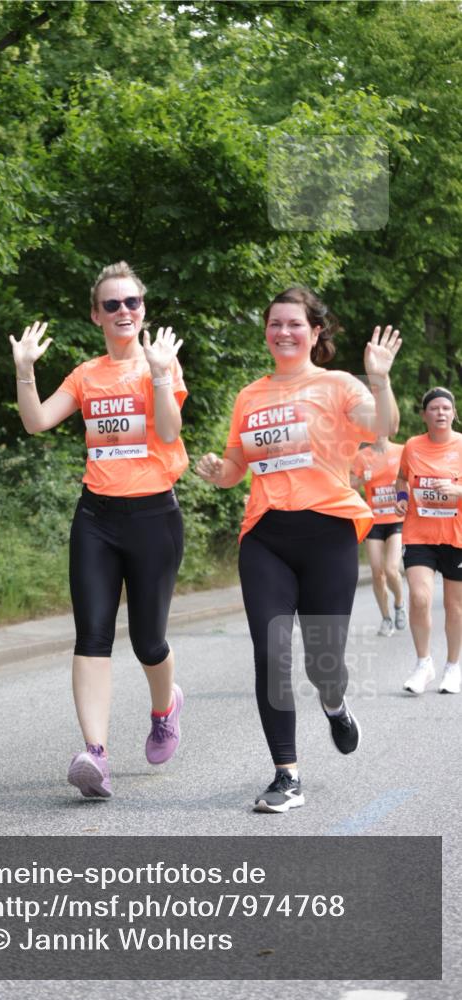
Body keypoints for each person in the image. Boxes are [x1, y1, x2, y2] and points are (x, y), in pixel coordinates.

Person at [196, 287, 401, 813]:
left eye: (294, 324)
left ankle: (334, 703)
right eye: (275, 323)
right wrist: (219, 471)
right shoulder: (249, 395)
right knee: (271, 653)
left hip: (328, 534)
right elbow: (236, 467)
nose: (283, 332)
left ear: (314, 332)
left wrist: (379, 379)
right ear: (266, 332)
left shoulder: (338, 385)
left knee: (324, 663)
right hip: (266, 536)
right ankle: (286, 775)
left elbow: (383, 426)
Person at [10, 262, 188, 799]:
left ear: (143, 309)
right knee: (92, 635)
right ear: (97, 315)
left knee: (149, 642)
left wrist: (161, 374)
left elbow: (169, 431)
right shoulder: (86, 374)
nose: (123, 311)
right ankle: (96, 754)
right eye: (112, 304)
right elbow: (37, 421)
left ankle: (165, 708)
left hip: (154, 517)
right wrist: (24, 370)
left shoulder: (159, 364)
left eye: (131, 302)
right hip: (97, 519)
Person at [396, 386, 462, 695]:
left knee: (454, 606)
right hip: (419, 534)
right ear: (424, 415)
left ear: (454, 413)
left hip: (456, 535)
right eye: (434, 408)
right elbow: (401, 479)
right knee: (420, 598)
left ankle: (453, 666)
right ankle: (424, 664)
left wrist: (457, 491)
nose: (440, 413)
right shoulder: (412, 446)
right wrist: (400, 498)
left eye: (445, 408)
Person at [351, 437, 406, 636]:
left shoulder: (401, 451)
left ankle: (399, 603)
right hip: (374, 521)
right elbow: (349, 486)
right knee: (377, 572)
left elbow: (411, 479)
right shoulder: (361, 456)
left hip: (396, 518)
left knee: (391, 569)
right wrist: (362, 480)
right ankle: (386, 619)